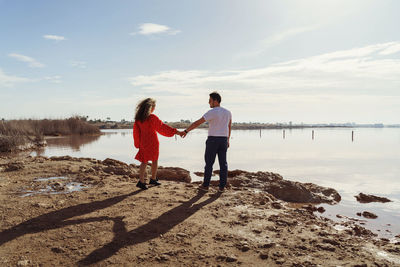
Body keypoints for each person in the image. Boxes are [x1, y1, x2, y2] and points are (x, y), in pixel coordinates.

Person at [182, 92, 232, 193]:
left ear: (215, 101)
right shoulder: (228, 112)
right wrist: (227, 139)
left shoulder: (212, 112)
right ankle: (222, 187)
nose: (208, 102)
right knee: (223, 164)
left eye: (210, 100)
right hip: (223, 140)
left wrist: (186, 131)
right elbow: (229, 126)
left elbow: (197, 122)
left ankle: (205, 186)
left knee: (209, 163)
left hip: (213, 140)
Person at [133, 98, 184, 190]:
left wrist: (137, 144)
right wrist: (176, 132)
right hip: (152, 141)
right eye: (154, 106)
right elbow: (162, 128)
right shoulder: (152, 118)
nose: (154, 108)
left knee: (144, 161)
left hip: (143, 142)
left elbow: (136, 133)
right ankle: (152, 179)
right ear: (150, 107)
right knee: (154, 160)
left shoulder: (138, 119)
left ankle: (142, 181)